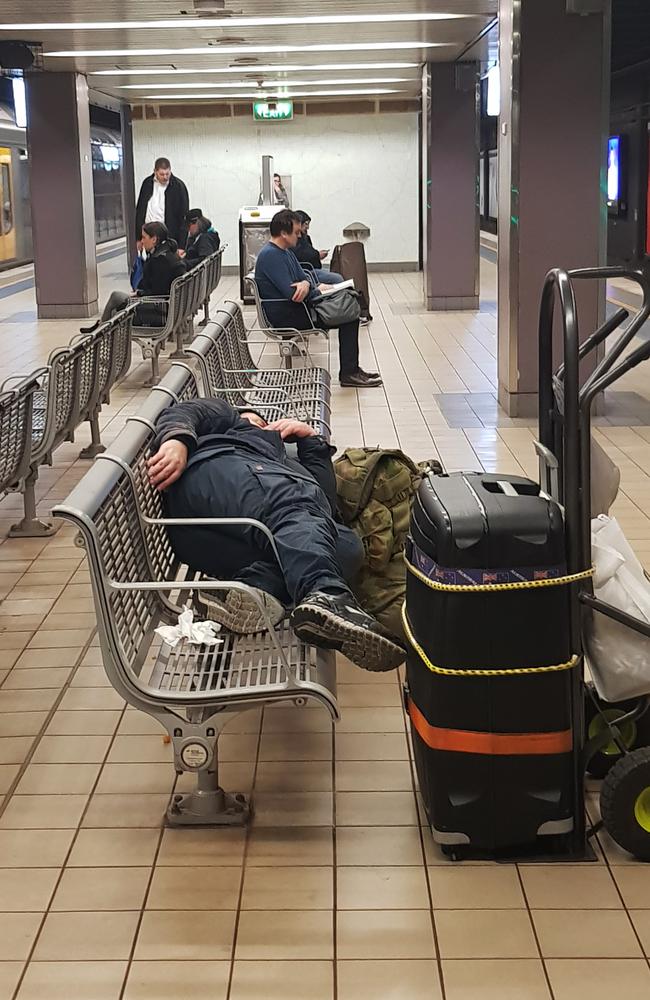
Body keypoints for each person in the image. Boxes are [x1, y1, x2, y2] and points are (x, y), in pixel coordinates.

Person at [147, 397, 404, 673]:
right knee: (294, 503)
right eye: (254, 420)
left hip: (237, 536)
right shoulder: (228, 421)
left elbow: (325, 506)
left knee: (345, 546)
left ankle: (252, 589)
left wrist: (310, 441)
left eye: (263, 422)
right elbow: (187, 410)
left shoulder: (278, 456)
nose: (261, 424)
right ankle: (326, 593)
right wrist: (176, 441)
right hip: (210, 489)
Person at [254, 209, 381, 389]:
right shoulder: (271, 255)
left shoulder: (285, 252)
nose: (300, 236)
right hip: (289, 314)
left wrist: (307, 285)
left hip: (300, 308)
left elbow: (303, 277)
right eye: (296, 232)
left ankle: (351, 370)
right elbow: (293, 294)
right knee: (349, 314)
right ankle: (349, 373)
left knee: (349, 302)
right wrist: (311, 289)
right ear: (283, 233)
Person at [81, 221, 185, 332]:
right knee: (116, 301)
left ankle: (99, 331)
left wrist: (139, 294)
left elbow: (157, 291)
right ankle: (100, 328)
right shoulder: (169, 253)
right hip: (169, 307)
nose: (142, 241)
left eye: (144, 238)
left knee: (116, 303)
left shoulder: (160, 260)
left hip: (160, 309)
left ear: (154, 239)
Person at [135, 157, 189, 249]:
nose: (165, 177)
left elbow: (184, 217)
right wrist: (138, 238)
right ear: (155, 171)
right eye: (162, 174)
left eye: (167, 174)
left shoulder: (179, 186)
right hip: (148, 235)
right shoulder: (147, 183)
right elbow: (140, 211)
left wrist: (181, 246)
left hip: (169, 235)